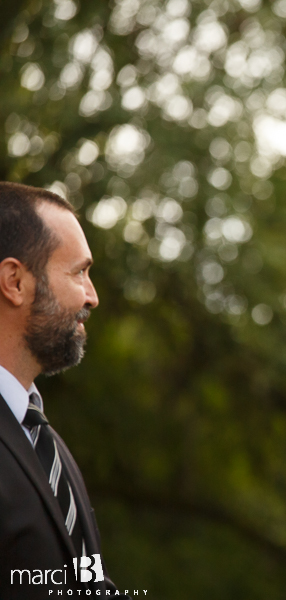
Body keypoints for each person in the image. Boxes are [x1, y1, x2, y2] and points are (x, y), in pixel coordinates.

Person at [0, 182, 124, 598]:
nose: (93, 296)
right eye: (79, 272)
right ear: (14, 281)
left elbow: (89, 588)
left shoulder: (49, 447)